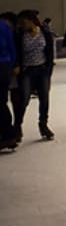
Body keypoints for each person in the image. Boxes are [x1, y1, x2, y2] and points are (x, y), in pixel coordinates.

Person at [14, 10, 55, 141]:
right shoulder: (20, 35)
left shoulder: (44, 33)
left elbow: (49, 52)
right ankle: (17, 126)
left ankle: (43, 125)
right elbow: (17, 52)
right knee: (23, 100)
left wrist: (49, 69)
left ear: (31, 21)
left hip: (42, 69)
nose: (22, 25)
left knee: (44, 99)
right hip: (27, 71)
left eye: (24, 22)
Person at [0, 12, 17, 151]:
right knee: (1, 101)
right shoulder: (5, 26)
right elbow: (12, 48)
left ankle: (8, 134)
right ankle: (8, 134)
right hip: (5, 66)